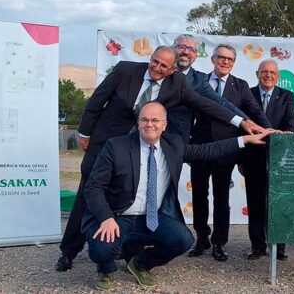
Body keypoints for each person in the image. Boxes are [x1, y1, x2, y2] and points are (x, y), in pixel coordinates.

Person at [56, 46, 263, 272]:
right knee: (88, 195)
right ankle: (69, 252)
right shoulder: (126, 70)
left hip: (140, 148)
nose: (157, 68)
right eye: (154, 62)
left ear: (172, 69)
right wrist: (85, 133)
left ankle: (125, 250)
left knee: (134, 199)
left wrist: (241, 123)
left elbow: (208, 104)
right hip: (106, 143)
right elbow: (97, 100)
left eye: (164, 66)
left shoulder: (178, 85)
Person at [82, 101, 269, 290]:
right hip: (117, 215)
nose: (149, 124)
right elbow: (93, 187)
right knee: (101, 250)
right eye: (144, 119)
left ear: (164, 125)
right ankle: (105, 269)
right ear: (137, 123)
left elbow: (208, 150)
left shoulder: (174, 144)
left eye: (155, 120)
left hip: (150, 217)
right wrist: (106, 218)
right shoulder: (116, 146)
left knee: (183, 240)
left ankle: (140, 264)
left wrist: (244, 140)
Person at [189, 44, 271, 261]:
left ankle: (219, 242)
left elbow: (253, 111)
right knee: (198, 195)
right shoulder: (198, 82)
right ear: (213, 59)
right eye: (222, 58)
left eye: (230, 60)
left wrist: (267, 128)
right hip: (199, 149)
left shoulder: (240, 86)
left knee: (221, 197)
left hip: (226, 150)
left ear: (234, 63)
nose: (225, 62)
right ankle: (201, 238)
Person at [242, 59, 294, 260]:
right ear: (257, 74)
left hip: (279, 158)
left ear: (278, 76)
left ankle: (279, 247)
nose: (268, 75)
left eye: (273, 72)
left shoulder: (287, 96)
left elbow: (291, 123)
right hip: (253, 156)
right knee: (255, 202)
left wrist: (282, 136)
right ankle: (257, 246)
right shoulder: (247, 93)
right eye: (264, 71)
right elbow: (241, 126)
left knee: (279, 202)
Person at [169, 34, 253, 142]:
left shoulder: (199, 79)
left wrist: (245, 121)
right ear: (172, 49)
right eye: (182, 47)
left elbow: (220, 102)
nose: (186, 52)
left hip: (177, 141)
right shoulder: (157, 69)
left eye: (191, 49)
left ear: (196, 56)